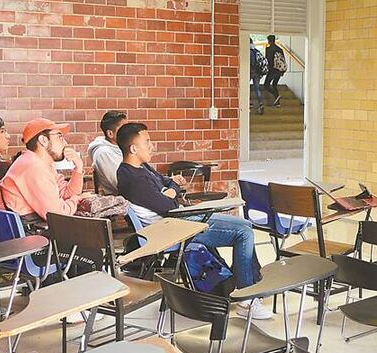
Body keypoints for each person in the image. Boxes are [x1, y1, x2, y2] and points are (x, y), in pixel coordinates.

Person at [115, 122, 271, 319]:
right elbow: (168, 206)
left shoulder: (142, 168)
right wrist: (170, 192)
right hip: (171, 229)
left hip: (178, 219)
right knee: (244, 232)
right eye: (147, 142)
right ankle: (247, 300)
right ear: (133, 148)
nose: (152, 146)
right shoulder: (132, 178)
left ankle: (250, 285)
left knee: (245, 225)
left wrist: (170, 191)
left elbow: (170, 183)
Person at [0, 118, 84, 223]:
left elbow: (67, 194)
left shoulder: (40, 163)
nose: (65, 143)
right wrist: (77, 200)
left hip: (29, 228)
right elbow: (57, 216)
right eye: (60, 137)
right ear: (43, 140)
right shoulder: (34, 167)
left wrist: (78, 167)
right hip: (27, 234)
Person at [88, 110, 128, 195]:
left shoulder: (122, 147)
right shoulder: (103, 153)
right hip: (122, 200)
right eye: (124, 129)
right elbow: (121, 185)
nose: (128, 132)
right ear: (110, 133)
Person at [262, 34, 287, 107]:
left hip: (272, 70)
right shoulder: (280, 49)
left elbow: (267, 60)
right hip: (279, 70)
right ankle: (278, 103)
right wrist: (282, 71)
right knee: (274, 85)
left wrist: (266, 70)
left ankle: (276, 95)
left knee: (266, 85)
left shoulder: (268, 49)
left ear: (269, 41)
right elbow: (283, 60)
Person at [249, 38, 266, 114]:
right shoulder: (256, 51)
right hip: (258, 72)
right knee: (257, 88)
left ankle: (249, 102)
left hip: (250, 71)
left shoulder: (248, 51)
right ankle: (260, 103)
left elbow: (251, 63)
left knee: (246, 87)